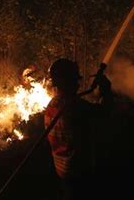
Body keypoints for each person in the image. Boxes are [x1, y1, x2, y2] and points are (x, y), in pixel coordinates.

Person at [44, 58, 112, 200]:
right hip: (79, 171)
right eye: (75, 79)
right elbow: (104, 113)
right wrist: (106, 91)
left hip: (61, 169)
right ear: (67, 82)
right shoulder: (74, 107)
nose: (78, 83)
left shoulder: (52, 104)